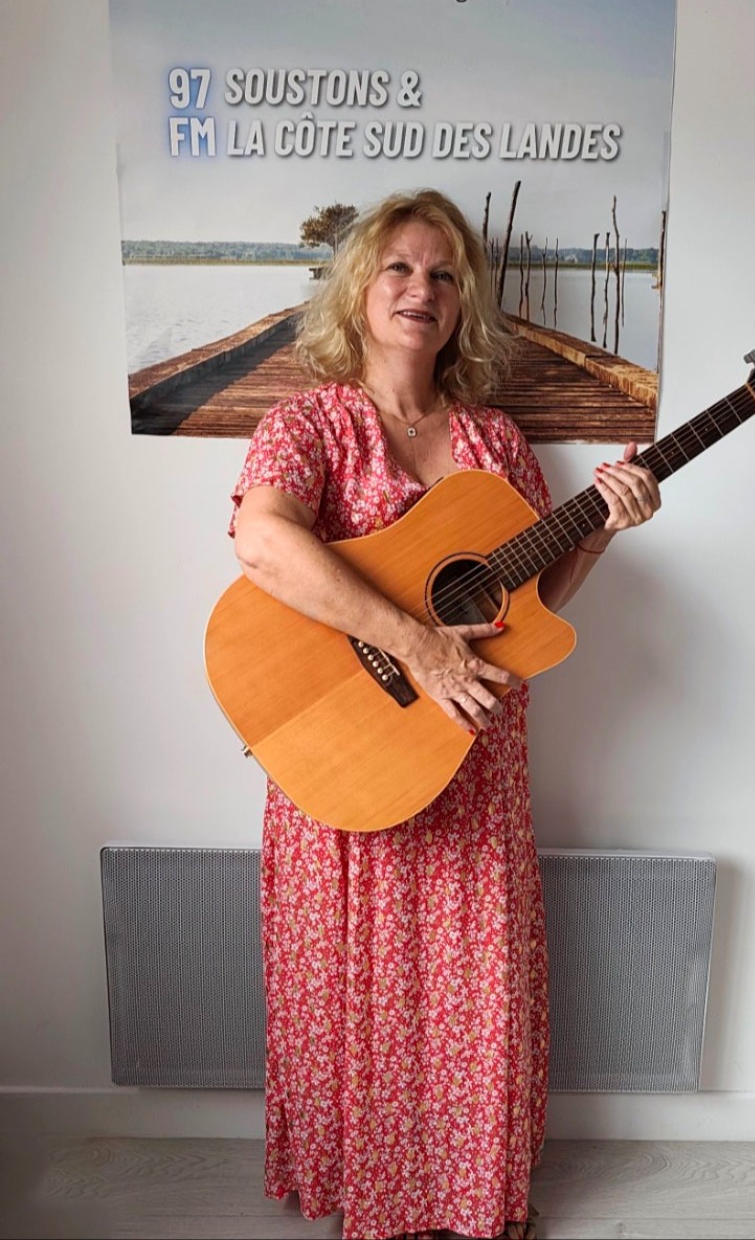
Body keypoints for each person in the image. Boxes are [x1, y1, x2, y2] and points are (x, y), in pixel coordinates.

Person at [229, 188, 661, 1240]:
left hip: (469, 753)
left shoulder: (494, 440)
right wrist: (415, 643)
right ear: (358, 288)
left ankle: (468, 1199)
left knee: (473, 991)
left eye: (443, 274)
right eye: (399, 268)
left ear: (464, 302)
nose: (420, 289)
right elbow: (263, 541)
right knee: (358, 993)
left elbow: (530, 606)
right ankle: (373, 1198)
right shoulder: (308, 422)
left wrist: (599, 529)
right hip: (351, 747)